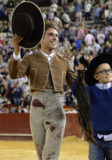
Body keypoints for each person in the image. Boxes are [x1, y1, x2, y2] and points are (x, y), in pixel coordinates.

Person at [9, 22, 76, 160]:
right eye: (50, 34)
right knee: (41, 155)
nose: (55, 38)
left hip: (56, 108)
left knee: (49, 156)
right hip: (36, 109)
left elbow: (76, 86)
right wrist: (16, 52)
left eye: (57, 35)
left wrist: (90, 78)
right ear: (41, 39)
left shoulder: (64, 62)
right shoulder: (30, 59)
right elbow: (14, 74)